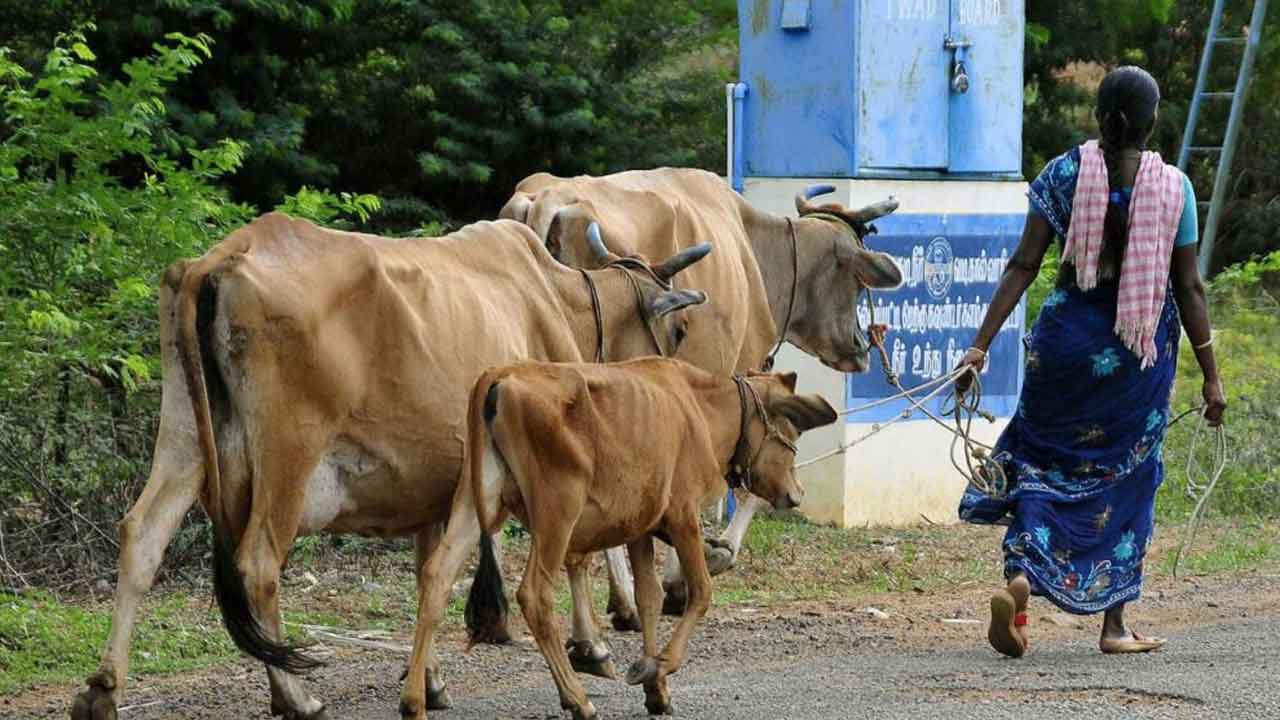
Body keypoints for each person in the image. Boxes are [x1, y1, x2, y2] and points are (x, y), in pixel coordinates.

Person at [954, 66, 1227, 658]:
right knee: (1127, 479)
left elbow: (1023, 265)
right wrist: (1212, 377)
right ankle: (1114, 626)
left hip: (1063, 355)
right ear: (1152, 122)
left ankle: (1021, 580)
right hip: (1135, 362)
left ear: (1098, 115)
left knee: (1040, 462)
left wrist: (979, 345)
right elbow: (1190, 288)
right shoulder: (1174, 189)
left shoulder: (1062, 174)